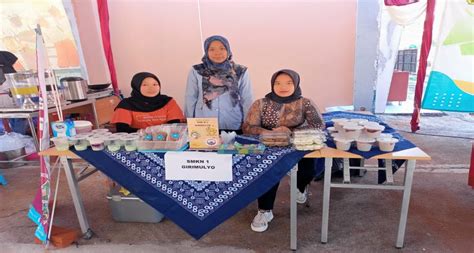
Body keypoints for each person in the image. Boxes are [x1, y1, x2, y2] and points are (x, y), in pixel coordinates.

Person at [242, 69, 325, 232]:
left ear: (296, 84)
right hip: (269, 145)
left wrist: (291, 131)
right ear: (272, 84)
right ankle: (265, 211)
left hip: (298, 145)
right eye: (278, 83)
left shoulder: (305, 103)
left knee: (308, 170)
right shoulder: (261, 103)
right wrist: (268, 132)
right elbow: (247, 127)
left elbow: (319, 126)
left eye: (289, 83)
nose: (283, 87)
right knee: (267, 172)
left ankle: (300, 188)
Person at [184, 35, 253, 134]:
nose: (217, 52)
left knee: (231, 149)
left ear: (228, 50)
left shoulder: (240, 71)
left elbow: (247, 98)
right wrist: (189, 122)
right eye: (212, 49)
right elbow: (190, 97)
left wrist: (248, 123)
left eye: (222, 48)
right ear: (206, 51)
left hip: (232, 122)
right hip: (203, 123)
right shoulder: (197, 70)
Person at [111, 72, 184, 133]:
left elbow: (175, 126)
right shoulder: (126, 105)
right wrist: (147, 133)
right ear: (136, 86)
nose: (151, 88)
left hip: (164, 140)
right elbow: (122, 130)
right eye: (145, 85)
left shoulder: (168, 102)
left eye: (155, 84)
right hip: (137, 141)